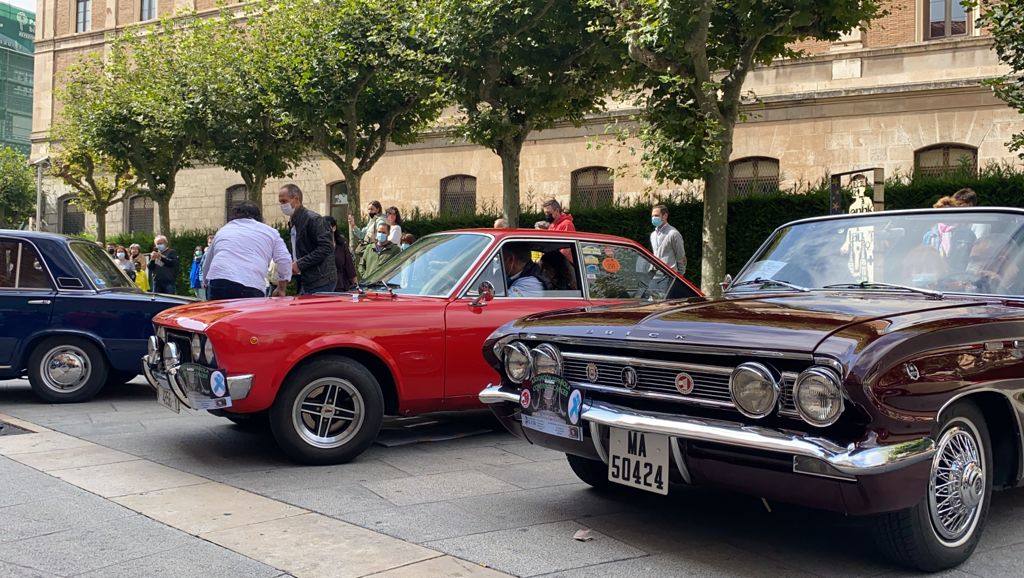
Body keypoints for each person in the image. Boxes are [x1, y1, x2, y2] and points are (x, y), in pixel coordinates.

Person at [204, 201, 292, 300]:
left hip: (219, 280)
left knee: (220, 315)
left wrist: (205, 282)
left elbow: (208, 262)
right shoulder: (271, 232)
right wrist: (281, 288)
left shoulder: (223, 230)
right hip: (251, 282)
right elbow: (284, 260)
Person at [280, 184, 337, 294]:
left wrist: (299, 264)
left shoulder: (313, 219)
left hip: (321, 280)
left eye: (284, 201)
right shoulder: (294, 222)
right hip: (306, 279)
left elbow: (326, 247)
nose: (282, 205)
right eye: (280, 202)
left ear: (296, 199)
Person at [650, 204, 686, 275]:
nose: (654, 218)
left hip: (670, 276)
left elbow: (681, 256)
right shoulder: (653, 235)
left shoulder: (673, 233)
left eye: (656, 215)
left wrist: (680, 276)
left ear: (665, 216)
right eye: (652, 216)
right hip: (656, 275)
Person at [325, 216, 357, 292]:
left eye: (326, 228)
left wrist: (356, 286)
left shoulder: (342, 244)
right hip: (324, 288)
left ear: (334, 228)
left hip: (341, 286)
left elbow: (349, 266)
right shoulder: (318, 246)